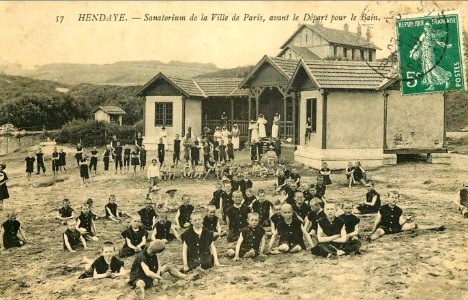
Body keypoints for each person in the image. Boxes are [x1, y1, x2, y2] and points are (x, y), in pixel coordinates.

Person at [370, 191, 445, 241]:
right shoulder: (382, 208)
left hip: (396, 227)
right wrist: (373, 230)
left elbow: (400, 223)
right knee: (378, 232)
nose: (394, 199)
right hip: (385, 227)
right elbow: (377, 220)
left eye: (396, 198)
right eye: (392, 197)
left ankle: (434, 227)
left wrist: (406, 219)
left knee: (413, 225)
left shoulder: (399, 210)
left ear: (398, 199)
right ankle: (370, 239)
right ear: (388, 198)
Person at [409, 22, 452, 91]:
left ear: (430, 27)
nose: (426, 28)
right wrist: (412, 52)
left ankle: (445, 80)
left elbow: (439, 43)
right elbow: (418, 44)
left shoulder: (432, 35)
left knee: (432, 69)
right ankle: (431, 85)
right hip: (424, 54)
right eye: (425, 27)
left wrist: (447, 46)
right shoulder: (423, 35)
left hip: (430, 54)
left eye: (428, 27)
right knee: (426, 69)